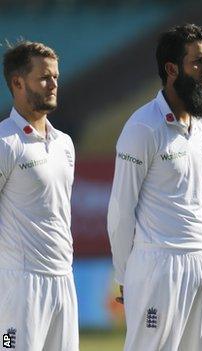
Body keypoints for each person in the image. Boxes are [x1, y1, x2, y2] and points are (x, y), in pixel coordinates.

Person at [107, 23, 202, 351]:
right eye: (198, 62)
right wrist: (126, 275)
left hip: (201, 260)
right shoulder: (143, 127)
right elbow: (120, 208)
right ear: (172, 69)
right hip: (157, 264)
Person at [0, 41, 77, 351]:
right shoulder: (5, 142)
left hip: (63, 279)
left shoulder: (65, 144)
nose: (54, 84)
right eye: (44, 77)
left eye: (56, 77)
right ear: (18, 83)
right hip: (19, 285)